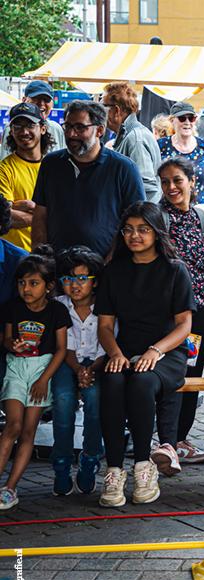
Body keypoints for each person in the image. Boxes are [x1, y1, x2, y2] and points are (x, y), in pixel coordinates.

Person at [97, 202, 195, 508]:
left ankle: (143, 466)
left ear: (156, 232)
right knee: (112, 381)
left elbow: (184, 326)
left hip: (167, 352)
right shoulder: (113, 270)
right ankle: (114, 470)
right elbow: (104, 325)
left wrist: (155, 350)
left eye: (143, 229)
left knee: (141, 383)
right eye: (128, 229)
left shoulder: (175, 270)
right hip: (125, 350)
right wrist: (114, 353)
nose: (134, 236)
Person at [150, 157, 204, 471]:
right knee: (166, 373)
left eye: (177, 180)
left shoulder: (200, 217)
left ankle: (180, 440)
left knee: (190, 372)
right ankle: (164, 439)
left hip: (199, 311)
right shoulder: (159, 218)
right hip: (169, 313)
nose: (171, 187)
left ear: (191, 180)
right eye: (165, 182)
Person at [0, 250, 70, 510]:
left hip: (43, 370)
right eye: (21, 283)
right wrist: (12, 345)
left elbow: (62, 349)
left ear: (48, 286)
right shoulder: (12, 308)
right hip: (16, 369)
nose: (26, 289)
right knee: (13, 426)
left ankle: (10, 488)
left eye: (33, 283)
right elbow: (6, 339)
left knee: (29, 431)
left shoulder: (57, 311)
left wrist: (44, 380)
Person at [31, 100, 145, 257]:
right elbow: (40, 215)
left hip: (105, 270)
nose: (71, 134)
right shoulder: (51, 164)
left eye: (80, 127)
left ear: (99, 130)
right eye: (68, 127)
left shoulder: (124, 168)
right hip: (57, 268)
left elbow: (136, 222)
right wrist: (40, 258)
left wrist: (112, 264)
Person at [51, 246, 106, 496]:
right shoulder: (59, 306)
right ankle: (61, 464)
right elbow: (65, 347)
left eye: (82, 278)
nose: (75, 285)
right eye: (69, 279)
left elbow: (108, 343)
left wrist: (89, 370)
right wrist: (78, 370)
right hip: (66, 360)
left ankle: (90, 458)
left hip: (99, 363)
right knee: (63, 401)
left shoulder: (105, 306)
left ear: (94, 282)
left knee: (95, 401)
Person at [0, 102, 56, 251]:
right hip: (14, 257)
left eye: (30, 125)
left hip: (48, 256)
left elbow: (66, 210)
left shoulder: (54, 167)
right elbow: (6, 217)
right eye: (17, 127)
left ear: (42, 129)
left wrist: (32, 209)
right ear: (11, 131)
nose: (24, 132)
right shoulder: (4, 169)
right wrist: (46, 215)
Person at [157, 102, 204, 205]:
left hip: (202, 210)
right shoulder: (161, 145)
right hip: (170, 210)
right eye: (182, 118)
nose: (187, 122)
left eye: (191, 118)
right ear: (172, 121)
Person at [102, 81, 161, 202]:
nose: (100, 112)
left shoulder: (135, 138)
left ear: (116, 110)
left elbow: (147, 189)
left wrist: (138, 219)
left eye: (103, 107)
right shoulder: (127, 135)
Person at [0, 81, 65, 161]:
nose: (41, 103)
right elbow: (5, 162)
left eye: (46, 100)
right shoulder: (13, 128)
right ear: (24, 100)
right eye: (36, 98)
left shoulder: (56, 129)